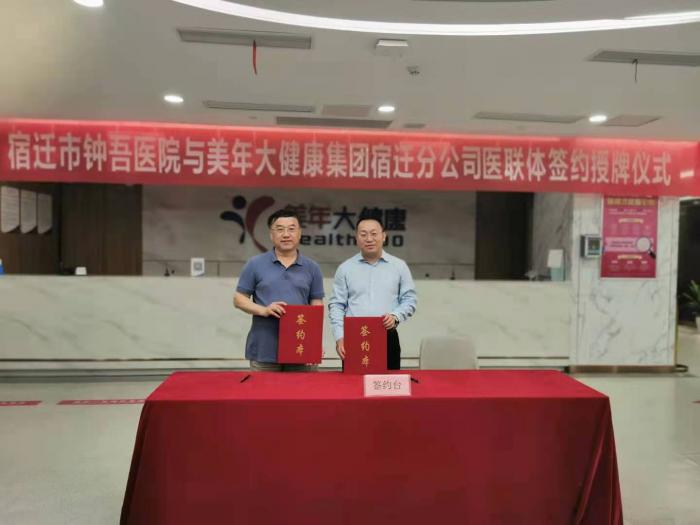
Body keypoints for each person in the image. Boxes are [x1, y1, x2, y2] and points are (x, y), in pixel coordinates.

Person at [234, 208, 324, 371]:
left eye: (291, 229)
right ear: (271, 234)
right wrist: (264, 310)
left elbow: (316, 305)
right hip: (264, 348)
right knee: (263, 389)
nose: (286, 234)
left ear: (299, 233)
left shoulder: (312, 267)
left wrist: (314, 343)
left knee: (303, 388)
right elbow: (239, 299)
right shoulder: (254, 264)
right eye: (280, 229)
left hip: (300, 347)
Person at [328, 215, 417, 370]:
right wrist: (339, 336)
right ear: (356, 238)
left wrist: (396, 316)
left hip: (387, 335)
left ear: (384, 236)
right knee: (353, 384)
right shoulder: (345, 268)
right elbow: (336, 305)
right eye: (363, 234)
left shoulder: (399, 266)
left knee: (389, 383)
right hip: (355, 337)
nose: (369, 239)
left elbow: (410, 299)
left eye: (374, 233)